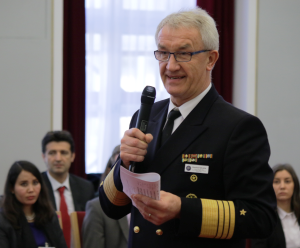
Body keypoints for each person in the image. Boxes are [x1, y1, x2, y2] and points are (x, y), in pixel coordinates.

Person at [99, 7, 277, 248]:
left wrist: (182, 208)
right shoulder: (146, 117)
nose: (170, 66)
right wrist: (123, 163)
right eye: (163, 53)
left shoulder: (238, 127)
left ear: (211, 59)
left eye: (184, 54)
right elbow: (111, 208)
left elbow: (260, 217)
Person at [41, 130, 95, 247]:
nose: (58, 158)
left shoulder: (86, 187)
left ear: (72, 156)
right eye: (52, 153)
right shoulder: (37, 187)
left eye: (64, 152)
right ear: (43, 156)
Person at [0, 161, 67, 248]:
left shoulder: (49, 215)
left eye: (35, 183)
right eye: (24, 184)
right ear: (12, 188)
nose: (31, 189)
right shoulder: (3, 221)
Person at [82, 145, 129, 248]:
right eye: (121, 168)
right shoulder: (96, 208)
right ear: (110, 172)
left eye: (131, 167)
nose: (128, 172)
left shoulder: (152, 203)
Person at [251, 164, 300, 248]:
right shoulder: (264, 218)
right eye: (276, 182)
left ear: (294, 185)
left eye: (287, 181)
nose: (282, 186)